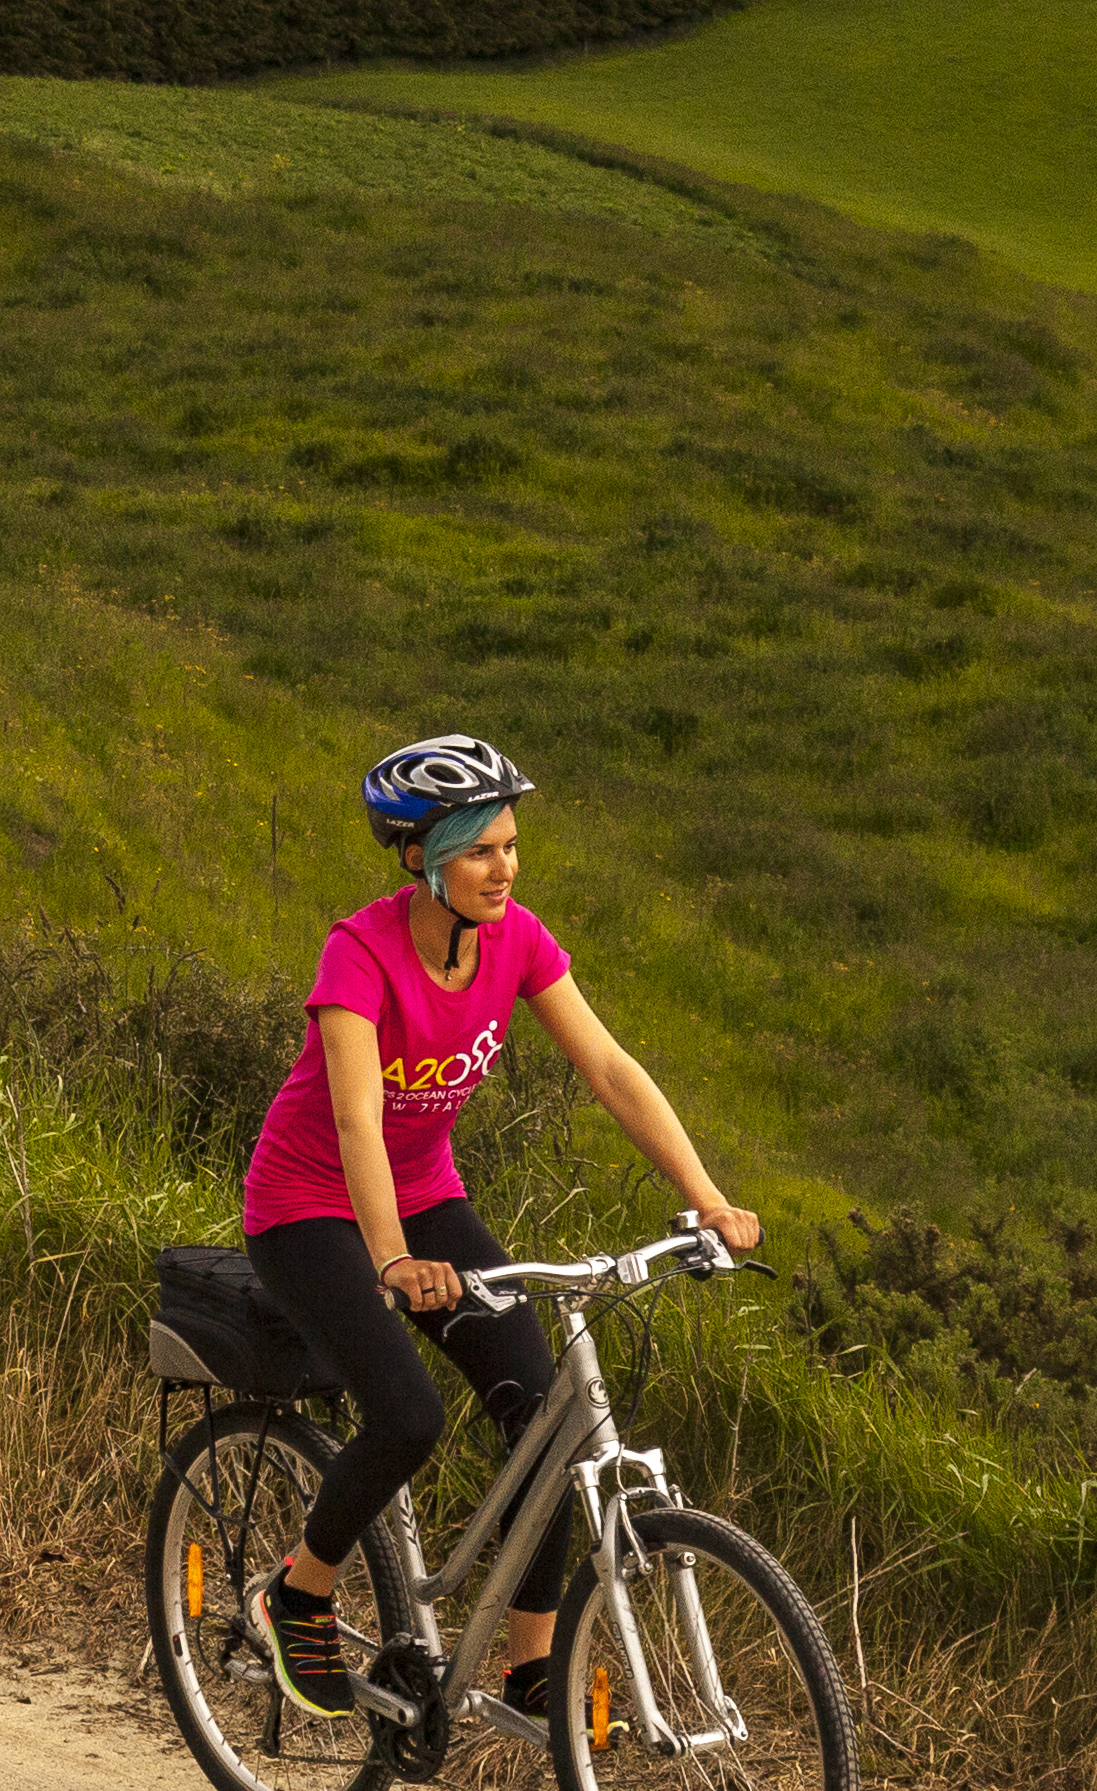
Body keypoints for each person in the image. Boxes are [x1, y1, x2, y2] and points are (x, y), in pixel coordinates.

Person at [240, 733, 756, 1729]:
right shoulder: (359, 952)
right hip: (310, 1205)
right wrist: (390, 1258)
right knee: (406, 1414)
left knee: (547, 1416)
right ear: (418, 856)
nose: (503, 869)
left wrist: (705, 1195)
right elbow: (355, 1121)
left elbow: (608, 1068)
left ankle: (527, 1667)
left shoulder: (516, 939)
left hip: (426, 1192)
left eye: (511, 846)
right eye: (479, 850)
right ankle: (297, 1594)